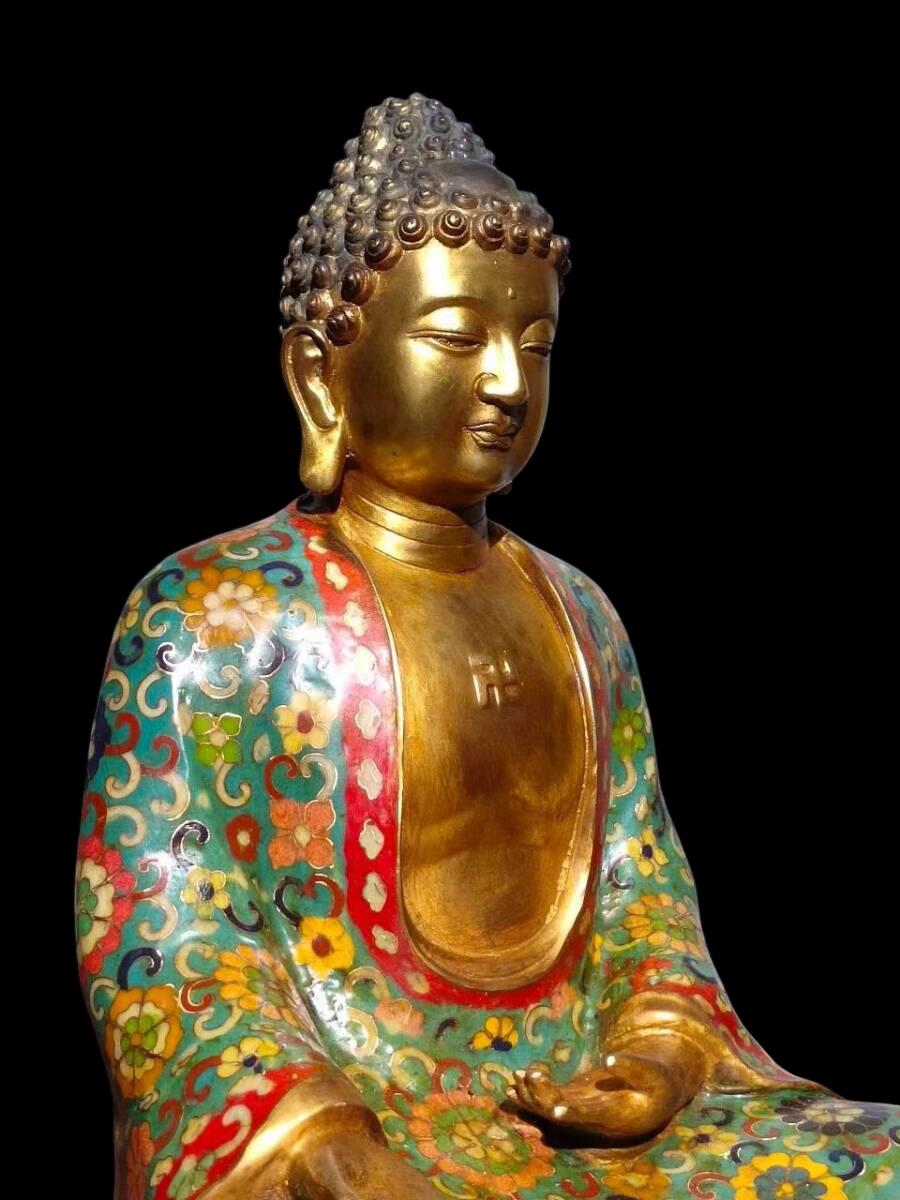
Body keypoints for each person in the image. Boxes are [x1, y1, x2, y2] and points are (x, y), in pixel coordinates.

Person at [76, 93, 898, 1200]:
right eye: (458, 338)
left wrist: (656, 1056)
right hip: (349, 1116)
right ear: (319, 374)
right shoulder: (213, 615)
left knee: (880, 1159)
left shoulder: (580, 614)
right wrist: (321, 1138)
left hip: (581, 1114)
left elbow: (642, 892)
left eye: (537, 344)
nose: (508, 382)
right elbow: (164, 938)